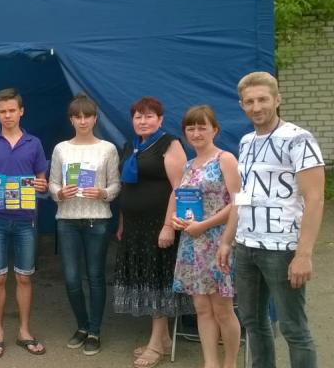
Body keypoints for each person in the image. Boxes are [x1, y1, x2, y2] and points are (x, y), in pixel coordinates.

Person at [217, 72, 325, 368]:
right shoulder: (246, 142)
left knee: (293, 328)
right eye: (249, 101)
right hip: (246, 247)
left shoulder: (298, 139)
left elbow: (315, 198)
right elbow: (242, 195)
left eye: (263, 99)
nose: (256, 107)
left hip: (283, 249)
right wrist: (227, 240)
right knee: (253, 321)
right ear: (241, 105)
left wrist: (303, 254)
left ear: (277, 99)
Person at [113, 97, 193, 368]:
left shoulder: (169, 144)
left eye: (149, 116)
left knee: (157, 282)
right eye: (138, 116)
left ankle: (156, 344)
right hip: (135, 226)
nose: (143, 121)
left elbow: (179, 187)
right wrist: (122, 223)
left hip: (158, 225)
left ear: (160, 119)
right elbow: (128, 187)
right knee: (148, 280)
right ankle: (164, 339)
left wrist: (168, 226)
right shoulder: (131, 146)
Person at [0, 88, 49, 358]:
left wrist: (42, 185)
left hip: (25, 220)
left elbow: (42, 181)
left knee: (24, 277)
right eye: (2, 111)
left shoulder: (34, 143)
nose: (8, 115)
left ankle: (24, 331)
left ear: (21, 111)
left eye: (12, 110)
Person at [48, 94, 120, 356]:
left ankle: (94, 331)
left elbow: (116, 184)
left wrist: (103, 193)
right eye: (77, 116)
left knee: (96, 276)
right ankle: (82, 325)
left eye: (87, 116)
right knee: (71, 277)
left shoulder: (108, 149)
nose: (82, 121)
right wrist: (59, 193)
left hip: (97, 219)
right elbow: (53, 183)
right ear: (71, 119)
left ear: (95, 119)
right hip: (67, 219)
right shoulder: (61, 149)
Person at [170, 106, 240, 368]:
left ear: (215, 130)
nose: (196, 133)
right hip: (192, 244)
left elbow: (237, 203)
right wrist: (177, 221)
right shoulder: (188, 165)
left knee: (223, 310)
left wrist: (205, 225)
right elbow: (184, 203)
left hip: (219, 241)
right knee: (201, 308)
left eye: (202, 127)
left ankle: (230, 363)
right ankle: (210, 363)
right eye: (191, 128)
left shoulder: (225, 159)